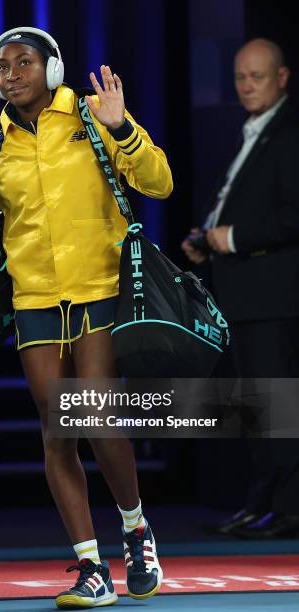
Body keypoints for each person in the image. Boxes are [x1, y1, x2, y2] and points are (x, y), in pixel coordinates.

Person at [0, 27, 173, 608]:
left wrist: (123, 127)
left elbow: (159, 183)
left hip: (99, 288)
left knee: (96, 414)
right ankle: (92, 566)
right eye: (2, 66)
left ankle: (136, 528)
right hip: (35, 298)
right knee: (56, 427)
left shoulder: (91, 116)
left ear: (53, 69)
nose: (12, 73)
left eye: (25, 62)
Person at [182, 38, 299, 538]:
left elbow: (293, 215)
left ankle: (289, 508)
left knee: (279, 407)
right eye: (239, 77)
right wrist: (206, 239)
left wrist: (231, 237)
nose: (246, 86)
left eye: (256, 76)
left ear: (282, 78)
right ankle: (262, 503)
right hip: (242, 296)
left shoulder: (290, 134)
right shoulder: (255, 131)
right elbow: (237, 202)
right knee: (257, 409)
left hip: (274, 296)